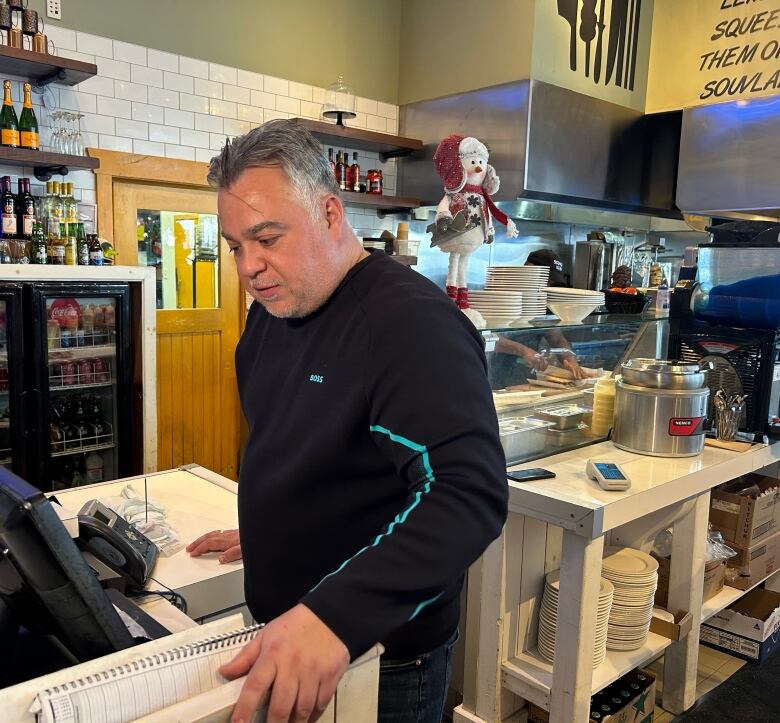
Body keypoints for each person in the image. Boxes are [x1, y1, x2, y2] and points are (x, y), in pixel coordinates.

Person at [186, 119, 508, 723]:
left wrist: (337, 615)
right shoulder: (271, 314)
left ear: (332, 214)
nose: (248, 268)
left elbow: (469, 495)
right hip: (289, 631)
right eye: (236, 246)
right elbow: (309, 451)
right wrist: (276, 530)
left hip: (377, 660)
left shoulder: (410, 324)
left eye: (268, 238)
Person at [489, 249, 587, 388]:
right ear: (528, 270)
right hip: (492, 375)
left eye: (551, 282)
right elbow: (487, 338)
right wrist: (523, 350)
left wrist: (569, 358)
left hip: (524, 380)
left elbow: (557, 339)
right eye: (545, 279)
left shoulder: (540, 301)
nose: (548, 286)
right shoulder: (499, 295)